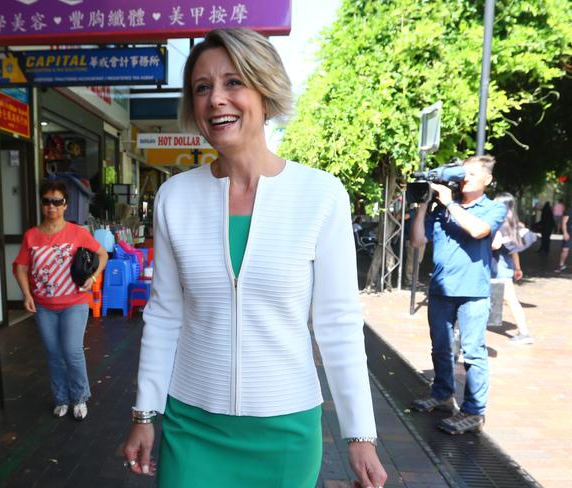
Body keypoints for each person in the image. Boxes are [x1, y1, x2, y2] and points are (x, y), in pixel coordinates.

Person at [122, 29, 387, 488]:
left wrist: (359, 433)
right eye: (202, 87)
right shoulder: (174, 197)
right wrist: (145, 412)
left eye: (233, 82)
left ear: (265, 91)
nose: (216, 100)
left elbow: (338, 322)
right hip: (192, 424)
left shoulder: (320, 195)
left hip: (285, 429)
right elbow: (165, 314)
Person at [409, 155, 507, 435]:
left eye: (472, 175)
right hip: (441, 289)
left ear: (487, 180)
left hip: (473, 293)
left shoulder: (493, 208)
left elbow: (478, 230)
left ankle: (474, 412)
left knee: (473, 353)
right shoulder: (440, 210)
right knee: (440, 347)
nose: (465, 178)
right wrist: (424, 206)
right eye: (463, 173)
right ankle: (442, 395)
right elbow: (417, 241)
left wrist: (450, 202)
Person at [13, 180, 108, 420]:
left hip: (75, 302)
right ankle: (61, 398)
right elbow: (21, 268)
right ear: (41, 204)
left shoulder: (77, 232)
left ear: (65, 205)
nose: (52, 206)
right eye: (47, 201)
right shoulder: (31, 236)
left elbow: (102, 254)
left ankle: (80, 397)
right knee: (53, 353)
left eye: (57, 201)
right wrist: (26, 294)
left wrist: (93, 277)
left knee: (72, 350)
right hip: (44, 306)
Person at [491, 193, 533, 344]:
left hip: (497, 267)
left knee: (510, 300)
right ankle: (524, 332)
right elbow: (514, 249)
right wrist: (517, 267)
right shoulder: (513, 224)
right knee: (510, 300)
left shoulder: (500, 224)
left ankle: (524, 333)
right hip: (505, 266)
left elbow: (495, 245)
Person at [555, 204, 571, 273]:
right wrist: (565, 233)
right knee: (565, 250)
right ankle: (561, 265)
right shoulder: (569, 211)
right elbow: (564, 222)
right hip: (569, 233)